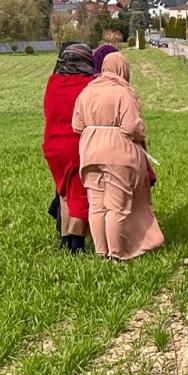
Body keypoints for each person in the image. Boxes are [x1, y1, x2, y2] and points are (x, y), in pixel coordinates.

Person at [72, 52, 165, 261]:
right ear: (123, 69)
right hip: (118, 153)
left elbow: (76, 126)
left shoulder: (86, 91)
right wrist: (142, 131)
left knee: (96, 204)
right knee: (117, 206)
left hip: (89, 152)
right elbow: (132, 125)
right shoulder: (123, 92)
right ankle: (116, 253)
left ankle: (100, 252)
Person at [42, 42, 96, 253]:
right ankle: (76, 244)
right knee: (81, 195)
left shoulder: (52, 82)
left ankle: (64, 241)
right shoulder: (88, 86)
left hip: (53, 147)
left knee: (64, 193)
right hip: (76, 146)